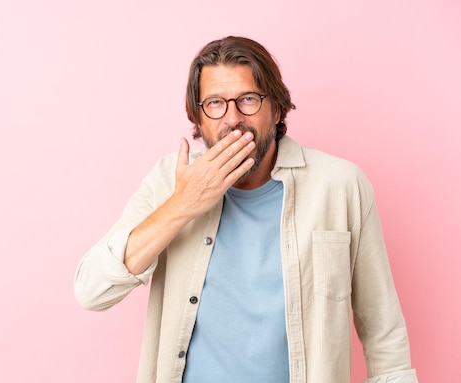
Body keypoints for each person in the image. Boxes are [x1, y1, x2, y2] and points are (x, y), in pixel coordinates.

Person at [74, 36, 418, 383]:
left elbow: (383, 332)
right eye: (215, 103)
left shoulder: (340, 185)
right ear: (198, 116)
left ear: (277, 109)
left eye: (248, 100)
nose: (233, 118)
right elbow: (92, 291)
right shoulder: (168, 181)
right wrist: (183, 204)